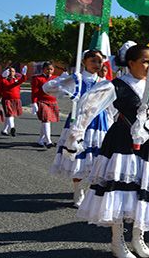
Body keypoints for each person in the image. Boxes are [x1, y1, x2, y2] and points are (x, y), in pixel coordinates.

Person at [64, 42, 149, 258]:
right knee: (119, 190)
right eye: (145, 61)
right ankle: (118, 240)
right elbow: (89, 109)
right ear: (131, 62)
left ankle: (139, 236)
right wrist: (75, 136)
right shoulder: (116, 85)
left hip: (147, 142)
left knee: (143, 188)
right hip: (121, 142)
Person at [46, 50, 110, 208]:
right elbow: (48, 88)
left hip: (98, 122)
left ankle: (90, 191)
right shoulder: (78, 79)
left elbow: (110, 105)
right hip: (79, 120)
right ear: (84, 62)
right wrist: (66, 80)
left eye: (99, 61)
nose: (97, 65)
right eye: (93, 61)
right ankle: (78, 190)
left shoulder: (104, 83)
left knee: (96, 157)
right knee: (77, 155)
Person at [31, 62, 60, 149]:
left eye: (51, 69)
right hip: (42, 101)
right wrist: (34, 102)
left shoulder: (55, 78)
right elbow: (34, 91)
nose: (49, 71)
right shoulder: (37, 78)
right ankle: (48, 141)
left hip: (53, 101)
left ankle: (40, 140)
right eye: (47, 69)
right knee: (46, 119)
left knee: (46, 121)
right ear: (43, 69)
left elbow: (60, 88)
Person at [0, 65, 28, 137]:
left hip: (16, 100)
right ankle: (12, 128)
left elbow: (22, 80)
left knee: (10, 115)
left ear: (15, 72)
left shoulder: (17, 80)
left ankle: (5, 130)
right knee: (9, 114)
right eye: (10, 71)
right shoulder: (3, 80)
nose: (11, 72)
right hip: (6, 100)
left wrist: (24, 75)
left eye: (13, 71)